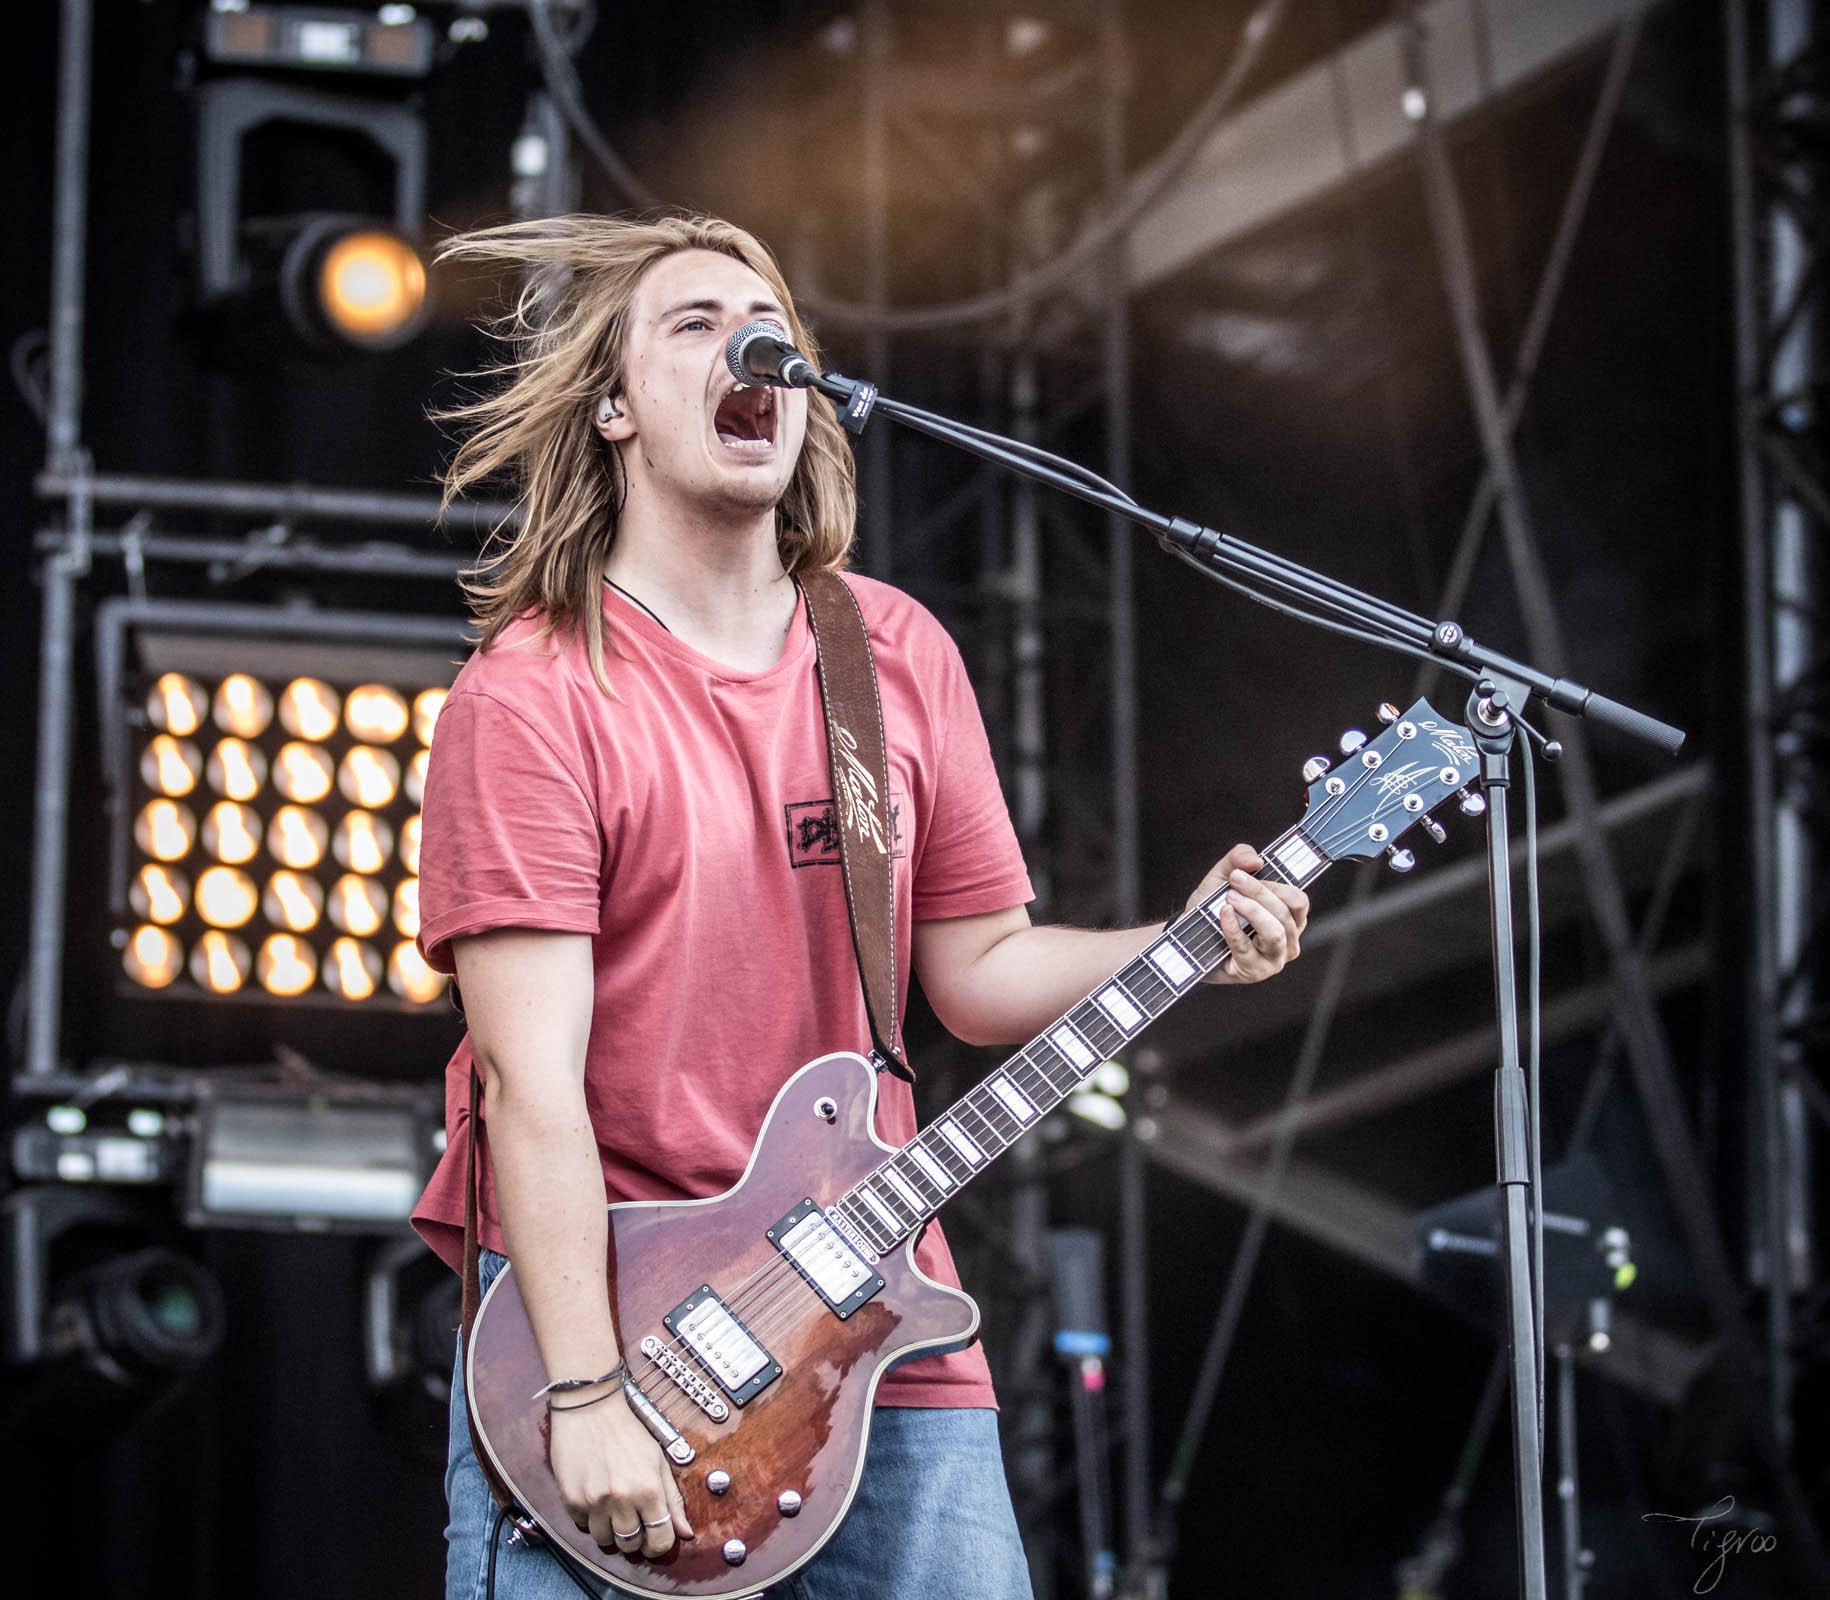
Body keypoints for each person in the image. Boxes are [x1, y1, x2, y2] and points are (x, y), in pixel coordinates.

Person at [409, 212, 1310, 1600]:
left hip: (875, 1324)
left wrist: (1178, 940)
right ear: (609, 406)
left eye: (768, 325)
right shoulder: (534, 695)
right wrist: (586, 1391)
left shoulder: (887, 651)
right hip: (623, 1334)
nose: (749, 348)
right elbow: (532, 1087)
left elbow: (978, 969)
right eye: (694, 324)